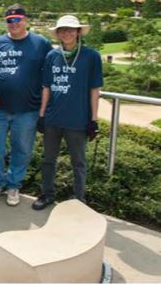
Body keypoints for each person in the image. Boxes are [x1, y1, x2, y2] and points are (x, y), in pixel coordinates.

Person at [0, 4, 52, 206]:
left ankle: (14, 185)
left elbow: (50, 73)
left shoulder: (41, 43)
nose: (13, 23)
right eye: (9, 20)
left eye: (17, 20)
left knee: (21, 149)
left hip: (28, 110)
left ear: (26, 20)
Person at [32, 15, 103, 210]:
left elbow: (94, 90)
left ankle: (79, 200)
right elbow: (46, 87)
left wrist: (94, 120)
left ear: (79, 32)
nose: (67, 33)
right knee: (48, 160)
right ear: (58, 33)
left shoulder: (91, 56)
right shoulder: (51, 56)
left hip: (78, 120)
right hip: (53, 118)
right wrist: (42, 115)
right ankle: (47, 194)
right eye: (62, 30)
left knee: (78, 162)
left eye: (71, 29)